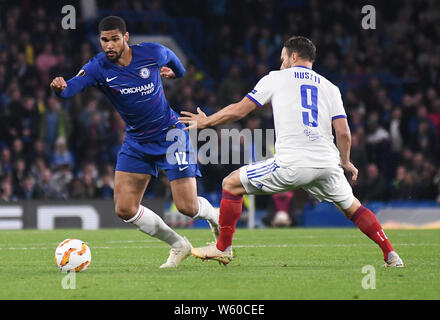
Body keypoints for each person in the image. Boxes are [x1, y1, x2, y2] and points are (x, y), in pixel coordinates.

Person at [179, 36, 403, 268]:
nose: (281, 62)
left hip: (292, 163)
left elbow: (239, 110)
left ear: (293, 56)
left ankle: (223, 247)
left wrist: (207, 122)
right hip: (327, 164)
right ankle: (391, 254)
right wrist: (345, 161)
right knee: (354, 208)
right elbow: (344, 133)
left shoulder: (276, 78)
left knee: (230, 184)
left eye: (283, 58)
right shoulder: (330, 87)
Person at [50, 16, 219, 268]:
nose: (109, 45)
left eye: (114, 39)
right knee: (125, 209)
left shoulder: (152, 53)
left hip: (171, 135)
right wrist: (60, 88)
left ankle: (216, 216)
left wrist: (176, 73)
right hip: (137, 141)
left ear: (125, 38)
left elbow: (176, 62)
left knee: (188, 207)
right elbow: (71, 88)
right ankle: (178, 244)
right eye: (104, 40)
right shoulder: (98, 67)